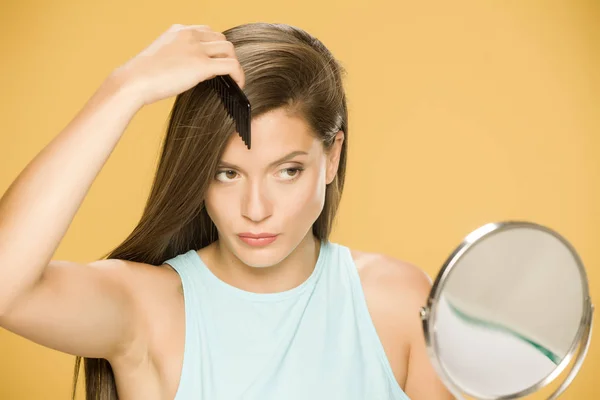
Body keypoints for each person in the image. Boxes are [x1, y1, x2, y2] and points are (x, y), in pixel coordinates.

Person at [0, 22, 453, 400]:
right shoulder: (147, 309)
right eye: (227, 174)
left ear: (332, 157)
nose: (255, 210)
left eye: (288, 171)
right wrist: (124, 88)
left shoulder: (397, 301)